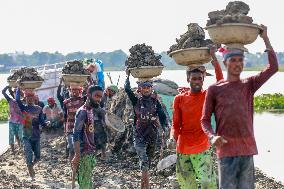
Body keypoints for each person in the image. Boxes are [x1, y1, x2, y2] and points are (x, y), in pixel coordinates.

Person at [201, 25, 278, 189]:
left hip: (247, 150)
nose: (237, 63)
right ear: (225, 62)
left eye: (240, 60)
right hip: (226, 152)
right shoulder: (215, 89)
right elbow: (205, 120)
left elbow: (273, 68)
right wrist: (212, 137)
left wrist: (265, 39)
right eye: (233, 60)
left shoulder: (249, 85)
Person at [169, 46, 223, 189]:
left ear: (203, 79)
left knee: (208, 184)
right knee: (187, 185)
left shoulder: (207, 96)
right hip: (182, 150)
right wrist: (171, 138)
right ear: (188, 79)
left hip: (202, 149)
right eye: (194, 78)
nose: (197, 81)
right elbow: (175, 125)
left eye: (200, 78)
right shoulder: (179, 99)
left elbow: (221, 81)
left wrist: (214, 59)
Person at [125, 71, 169, 189]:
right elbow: (127, 89)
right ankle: (148, 187)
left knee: (147, 163)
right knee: (144, 161)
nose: (146, 89)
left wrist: (165, 127)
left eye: (148, 87)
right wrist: (127, 76)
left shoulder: (156, 101)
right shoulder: (136, 101)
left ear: (151, 88)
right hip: (139, 135)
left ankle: (142, 185)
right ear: (140, 89)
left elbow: (162, 115)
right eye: (144, 87)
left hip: (152, 135)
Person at [72, 85, 104, 189]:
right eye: (96, 96)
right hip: (84, 152)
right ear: (89, 95)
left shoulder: (92, 110)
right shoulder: (83, 112)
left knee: (87, 181)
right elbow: (75, 134)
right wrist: (77, 155)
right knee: (85, 183)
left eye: (100, 97)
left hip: (90, 151)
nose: (99, 99)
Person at [15, 88, 46, 180]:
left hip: (36, 136)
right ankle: (31, 175)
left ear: (34, 99)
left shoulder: (39, 109)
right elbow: (17, 99)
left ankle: (31, 165)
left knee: (38, 156)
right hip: (26, 135)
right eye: (27, 98)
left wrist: (45, 123)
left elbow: (41, 121)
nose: (29, 99)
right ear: (25, 99)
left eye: (31, 98)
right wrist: (18, 87)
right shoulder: (23, 108)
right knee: (28, 154)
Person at [63, 84, 85, 163]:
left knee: (80, 149)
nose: (74, 91)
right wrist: (65, 129)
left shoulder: (83, 101)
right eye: (73, 90)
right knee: (72, 149)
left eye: (76, 90)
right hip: (70, 128)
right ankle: (73, 169)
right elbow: (65, 117)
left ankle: (79, 167)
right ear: (70, 91)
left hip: (81, 128)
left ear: (80, 91)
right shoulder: (66, 102)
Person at [2, 86, 23, 154]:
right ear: (13, 94)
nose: (16, 94)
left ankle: (21, 147)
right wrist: (8, 86)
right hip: (12, 121)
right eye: (15, 93)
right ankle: (13, 150)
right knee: (11, 136)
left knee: (20, 136)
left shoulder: (22, 101)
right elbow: (3, 92)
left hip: (20, 122)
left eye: (18, 93)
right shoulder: (10, 100)